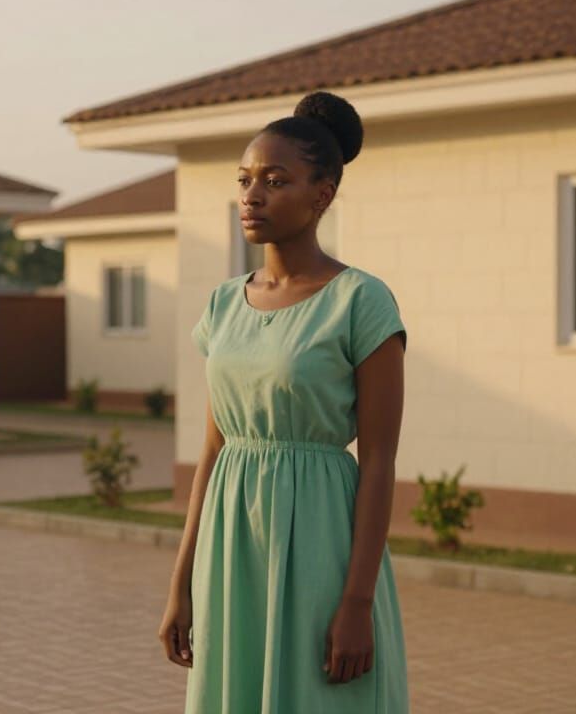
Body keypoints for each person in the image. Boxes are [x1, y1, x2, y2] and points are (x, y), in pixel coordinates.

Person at [158, 90, 410, 713]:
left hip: (322, 541)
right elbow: (214, 448)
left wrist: (355, 604)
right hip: (230, 545)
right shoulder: (222, 304)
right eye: (245, 180)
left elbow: (378, 461)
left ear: (322, 194)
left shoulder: (362, 302)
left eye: (275, 180)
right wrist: (181, 580)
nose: (252, 195)